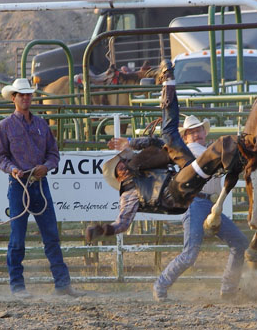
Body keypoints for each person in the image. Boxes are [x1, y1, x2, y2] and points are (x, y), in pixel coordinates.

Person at [85, 61, 247, 300]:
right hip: (189, 200)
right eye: (119, 167)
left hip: (205, 202)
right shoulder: (130, 191)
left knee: (239, 243)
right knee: (190, 254)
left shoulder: (144, 168)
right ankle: (161, 286)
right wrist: (102, 229)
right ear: (119, 176)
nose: (123, 166)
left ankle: (229, 290)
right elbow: (122, 224)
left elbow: (154, 145)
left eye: (121, 162)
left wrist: (130, 144)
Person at [0, 78, 85, 298]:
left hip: (39, 184)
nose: (25, 98)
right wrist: (13, 169)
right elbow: (1, 158)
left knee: (51, 235)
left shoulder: (42, 125)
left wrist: (46, 166)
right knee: (17, 238)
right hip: (19, 185)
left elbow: (54, 154)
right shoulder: (4, 127)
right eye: (21, 94)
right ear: (14, 98)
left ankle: (62, 284)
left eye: (28, 94)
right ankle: (17, 287)